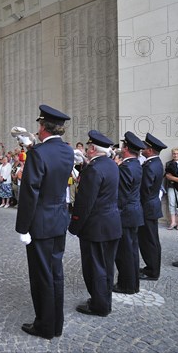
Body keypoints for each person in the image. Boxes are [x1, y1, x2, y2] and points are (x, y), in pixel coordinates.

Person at [15, 105, 74, 339]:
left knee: (41, 276)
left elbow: (30, 192)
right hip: (59, 219)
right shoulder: (68, 152)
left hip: (40, 223)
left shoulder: (38, 154)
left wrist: (22, 227)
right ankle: (56, 323)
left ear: (42, 127)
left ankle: (44, 326)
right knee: (55, 273)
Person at [69, 130, 121, 317]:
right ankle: (104, 300)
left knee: (95, 268)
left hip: (95, 226)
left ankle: (99, 305)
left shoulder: (94, 169)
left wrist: (74, 225)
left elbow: (85, 203)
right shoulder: (111, 165)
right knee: (106, 267)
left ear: (92, 149)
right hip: (111, 223)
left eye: (88, 147)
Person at [113, 132, 146, 295]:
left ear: (125, 148)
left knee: (124, 253)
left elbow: (121, 195)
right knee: (132, 251)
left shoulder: (126, 167)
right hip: (134, 213)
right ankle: (132, 283)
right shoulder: (136, 164)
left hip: (125, 214)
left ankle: (126, 285)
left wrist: (114, 214)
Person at [138, 133, 167, 281]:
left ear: (149, 150)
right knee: (151, 239)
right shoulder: (155, 163)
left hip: (147, 207)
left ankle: (152, 271)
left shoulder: (150, 166)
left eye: (145, 146)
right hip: (151, 205)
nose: (142, 148)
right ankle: (151, 267)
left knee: (149, 240)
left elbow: (145, 189)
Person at [165, 148, 178, 230]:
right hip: (171, 186)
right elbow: (167, 176)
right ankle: (173, 222)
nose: (176, 155)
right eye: (174, 153)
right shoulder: (168, 163)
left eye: (177, 153)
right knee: (172, 203)